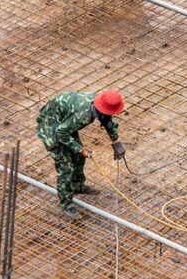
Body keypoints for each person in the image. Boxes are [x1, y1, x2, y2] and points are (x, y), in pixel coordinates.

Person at [36, 90, 126, 220]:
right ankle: (66, 205)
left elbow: (106, 119)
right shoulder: (83, 115)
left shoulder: (99, 105)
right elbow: (61, 132)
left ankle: (77, 186)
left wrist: (116, 142)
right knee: (66, 168)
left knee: (79, 158)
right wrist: (79, 149)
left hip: (65, 124)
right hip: (52, 127)